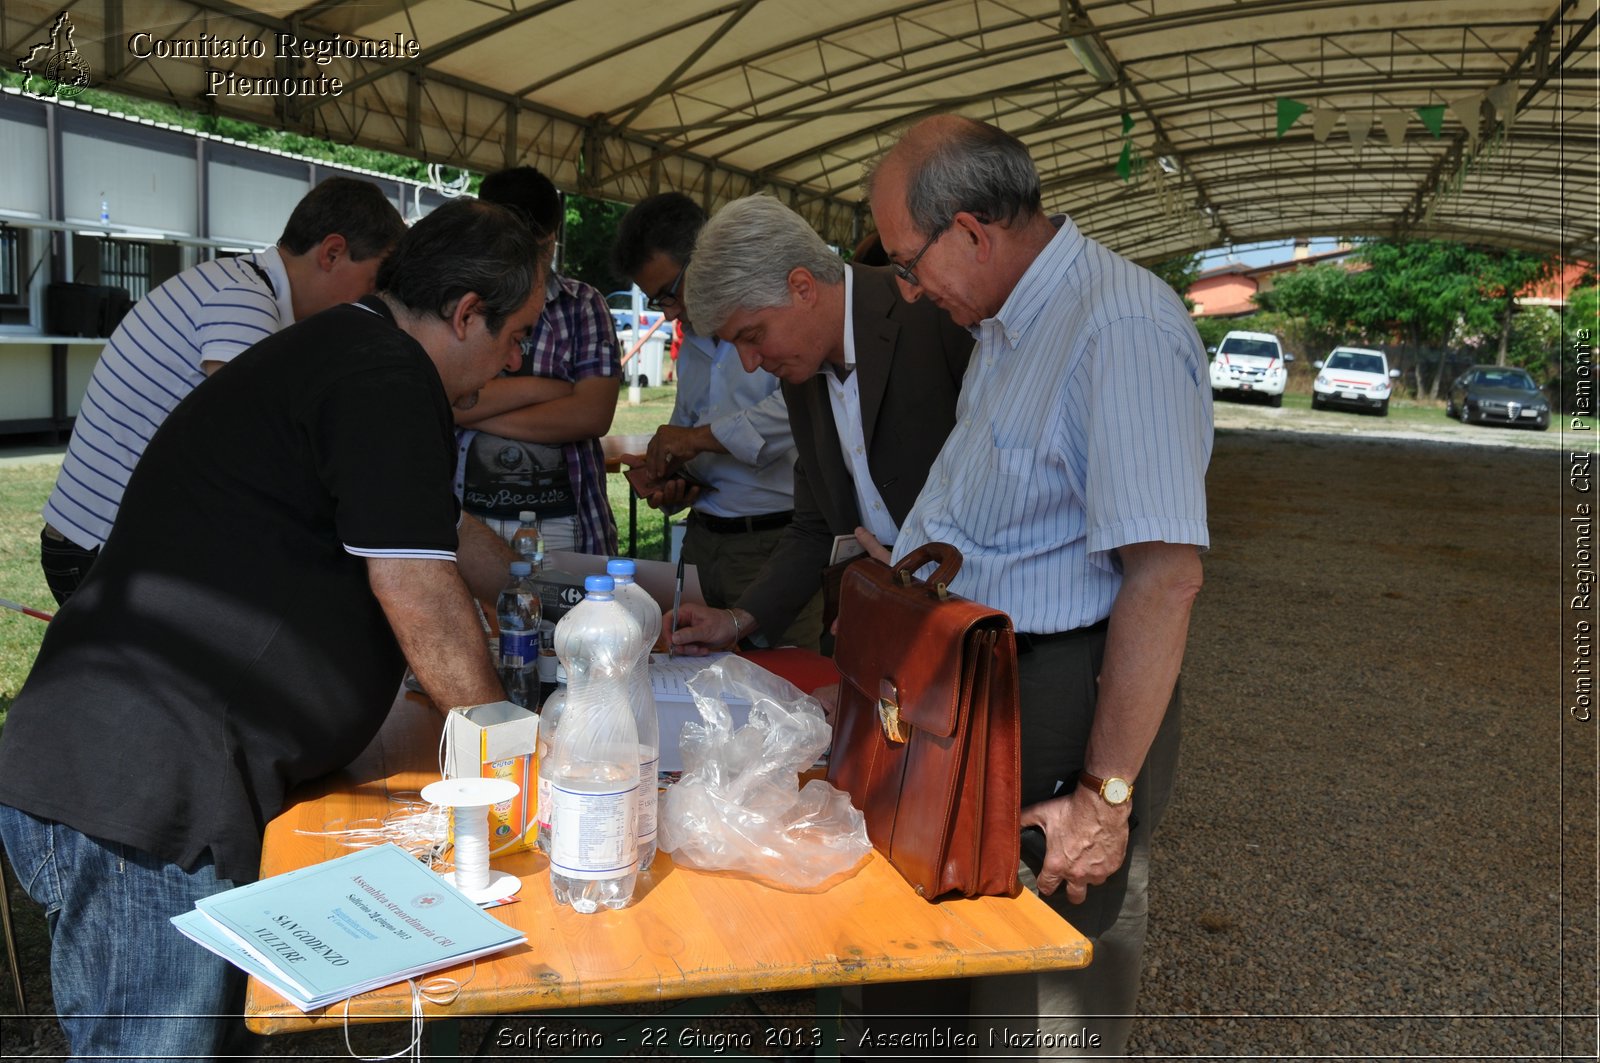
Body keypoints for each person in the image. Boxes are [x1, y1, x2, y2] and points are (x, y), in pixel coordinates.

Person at [0, 199, 546, 1061]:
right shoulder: (381, 373)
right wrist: (515, 754)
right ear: (468, 313)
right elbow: (415, 580)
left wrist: (550, 581)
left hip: (149, 779)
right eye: (517, 333)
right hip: (141, 791)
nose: (518, 358)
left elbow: (438, 536)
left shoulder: (351, 356)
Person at [864, 115, 1212, 1056]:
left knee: (1041, 1011)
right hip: (977, 687)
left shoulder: (1120, 326)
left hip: (1058, 702)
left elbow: (1165, 578)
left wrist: (1103, 798)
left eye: (907, 261)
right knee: (936, 974)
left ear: (971, 231)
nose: (907, 287)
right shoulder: (1009, 324)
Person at [38, 176, 405, 604]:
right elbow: (264, 445)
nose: (375, 300)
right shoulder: (245, 299)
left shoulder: (245, 283)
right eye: (375, 281)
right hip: (101, 547)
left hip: (104, 539)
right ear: (332, 252)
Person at [662, 194, 971, 655]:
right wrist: (737, 620)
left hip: (973, 622)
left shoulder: (929, 309)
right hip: (883, 622)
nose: (750, 364)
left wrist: (916, 585)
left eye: (752, 337)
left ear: (802, 287)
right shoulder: (800, 364)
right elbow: (815, 523)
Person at [610, 192, 821, 648]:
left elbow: (790, 414)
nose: (669, 310)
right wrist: (671, 479)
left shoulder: (781, 322)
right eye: (656, 300)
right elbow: (685, 430)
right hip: (704, 543)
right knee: (694, 679)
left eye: (670, 292)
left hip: (774, 541)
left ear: (707, 262)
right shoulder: (694, 346)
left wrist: (695, 441)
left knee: (782, 690)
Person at [455, 166, 621, 554]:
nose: (523, 264)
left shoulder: (582, 304)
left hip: (568, 526)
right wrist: (545, 390)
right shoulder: (460, 301)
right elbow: (441, 400)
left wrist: (471, 411)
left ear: (551, 239)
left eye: (535, 249)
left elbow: (591, 416)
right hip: (468, 520)